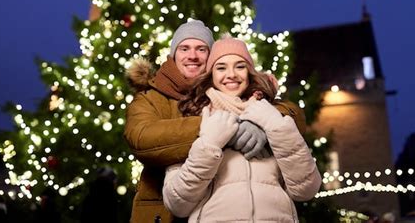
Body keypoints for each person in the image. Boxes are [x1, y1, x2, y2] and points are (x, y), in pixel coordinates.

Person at [124, 20, 306, 222]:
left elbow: (291, 112)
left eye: (201, 49)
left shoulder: (235, 92)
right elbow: (143, 138)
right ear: (173, 55)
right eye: (184, 48)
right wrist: (221, 129)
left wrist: (265, 124)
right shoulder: (152, 97)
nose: (192, 55)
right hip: (164, 212)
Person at [162, 35, 321, 222]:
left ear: (250, 72)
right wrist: (209, 144)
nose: (231, 74)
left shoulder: (269, 112)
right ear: (211, 76)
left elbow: (307, 189)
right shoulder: (194, 118)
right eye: (221, 68)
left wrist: (275, 127)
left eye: (240, 66)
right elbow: (177, 203)